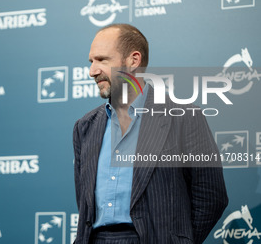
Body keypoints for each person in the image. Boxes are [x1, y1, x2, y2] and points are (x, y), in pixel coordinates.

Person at [73, 24, 228, 244]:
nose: (92, 71)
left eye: (102, 60)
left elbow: (212, 197)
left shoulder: (183, 117)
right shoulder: (85, 127)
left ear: (133, 60)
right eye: (91, 61)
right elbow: (84, 203)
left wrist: (176, 240)